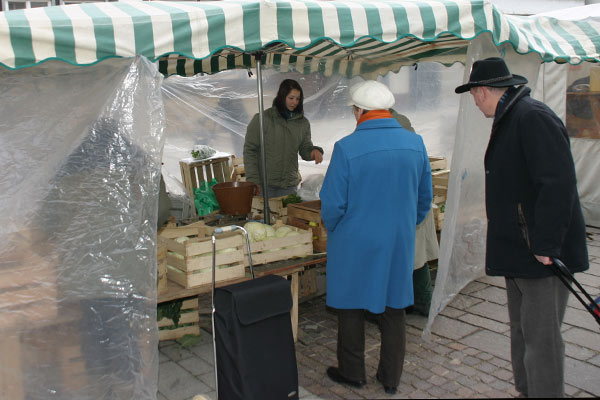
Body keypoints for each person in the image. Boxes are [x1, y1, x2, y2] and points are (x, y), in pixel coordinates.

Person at [455, 57, 589, 398]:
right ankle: (527, 391)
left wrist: (546, 245)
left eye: (473, 94)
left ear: (483, 91)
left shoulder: (531, 117)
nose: (473, 101)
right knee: (522, 331)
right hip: (519, 251)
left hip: (540, 255)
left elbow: (558, 185)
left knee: (541, 339)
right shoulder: (512, 116)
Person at [320, 80, 432, 395]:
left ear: (358, 111)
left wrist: (337, 229)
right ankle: (391, 378)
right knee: (394, 307)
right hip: (397, 239)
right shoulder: (416, 143)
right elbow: (424, 198)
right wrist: (405, 225)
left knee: (351, 307)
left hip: (354, 240)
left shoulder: (347, 148)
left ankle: (352, 371)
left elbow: (332, 205)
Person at [243, 79, 324, 198]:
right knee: (264, 216)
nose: (295, 102)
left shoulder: (302, 123)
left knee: (287, 215)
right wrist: (253, 180)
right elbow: (250, 150)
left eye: (298, 99)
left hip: (288, 185)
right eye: (291, 98)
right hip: (265, 184)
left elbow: (305, 149)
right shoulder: (263, 119)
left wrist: (314, 152)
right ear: (282, 96)